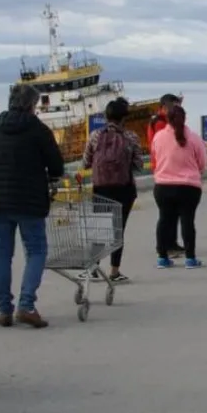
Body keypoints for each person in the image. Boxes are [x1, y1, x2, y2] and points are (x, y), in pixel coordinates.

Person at [0, 82, 65, 328]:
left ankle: (4, 309)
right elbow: (57, 167)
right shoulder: (39, 130)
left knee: (2, 253)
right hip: (30, 201)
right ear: (32, 105)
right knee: (36, 251)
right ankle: (26, 305)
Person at [82, 96, 141, 283]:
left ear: (106, 117)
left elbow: (86, 162)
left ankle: (92, 268)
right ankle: (115, 272)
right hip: (124, 189)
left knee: (99, 228)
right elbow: (138, 165)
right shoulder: (131, 137)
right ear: (124, 118)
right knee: (118, 230)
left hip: (101, 188)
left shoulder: (95, 136)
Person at [152, 106, 207, 268]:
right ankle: (190, 258)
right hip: (189, 187)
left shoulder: (158, 137)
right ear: (185, 118)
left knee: (164, 220)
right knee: (187, 221)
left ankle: (162, 258)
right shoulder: (194, 139)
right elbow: (202, 163)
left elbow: (155, 157)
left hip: (163, 186)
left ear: (167, 119)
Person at [146, 93, 183, 256]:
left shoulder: (158, 121)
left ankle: (171, 243)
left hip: (163, 168)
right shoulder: (161, 123)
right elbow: (168, 145)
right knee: (168, 212)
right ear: (166, 107)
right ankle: (166, 245)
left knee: (172, 211)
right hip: (165, 169)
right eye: (176, 107)